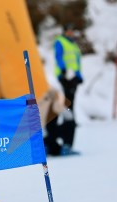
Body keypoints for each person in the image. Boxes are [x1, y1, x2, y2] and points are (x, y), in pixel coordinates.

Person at [53, 23, 83, 155]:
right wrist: (63, 70)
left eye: (72, 31)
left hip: (73, 78)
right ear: (64, 31)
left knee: (70, 108)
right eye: (68, 31)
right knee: (67, 108)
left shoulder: (73, 45)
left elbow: (76, 61)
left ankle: (66, 142)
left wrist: (79, 76)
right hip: (65, 78)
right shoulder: (60, 42)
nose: (70, 33)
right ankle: (63, 142)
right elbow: (58, 57)